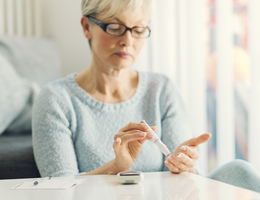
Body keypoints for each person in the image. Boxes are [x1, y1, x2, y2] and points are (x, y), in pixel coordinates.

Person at [32, 0, 260, 193]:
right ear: (86, 27)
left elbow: (184, 183)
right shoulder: (55, 99)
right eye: (114, 27)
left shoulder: (162, 89)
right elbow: (59, 190)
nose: (128, 41)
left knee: (240, 172)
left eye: (138, 30)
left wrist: (186, 166)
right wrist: (115, 167)